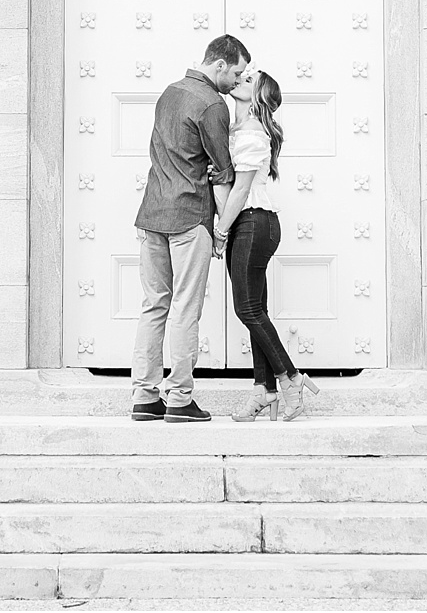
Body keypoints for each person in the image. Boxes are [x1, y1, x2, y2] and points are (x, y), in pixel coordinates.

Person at [130, 35, 250, 423]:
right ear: (219, 65)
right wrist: (221, 227)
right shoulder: (212, 103)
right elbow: (221, 170)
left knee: (153, 307)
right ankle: (180, 398)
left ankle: (144, 397)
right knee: (185, 308)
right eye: (236, 73)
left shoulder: (169, 92)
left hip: (151, 215)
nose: (236, 81)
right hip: (188, 217)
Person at [213, 66, 321, 422]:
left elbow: (241, 189)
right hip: (252, 222)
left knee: (247, 309)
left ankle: (291, 378)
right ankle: (264, 391)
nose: (240, 79)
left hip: (253, 223)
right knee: (255, 309)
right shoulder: (238, 129)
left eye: (248, 80)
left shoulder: (252, 134)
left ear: (257, 97)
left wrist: (221, 231)